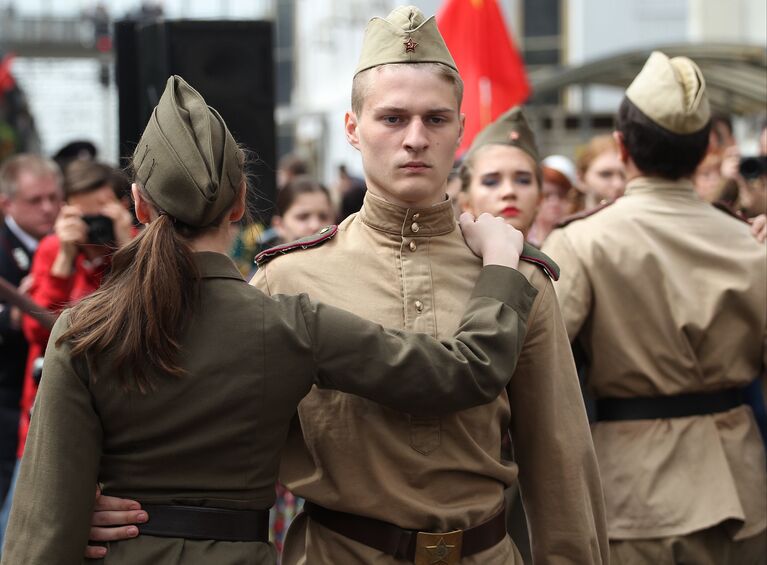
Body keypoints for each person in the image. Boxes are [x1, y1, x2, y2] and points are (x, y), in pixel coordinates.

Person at [89, 9, 608, 565]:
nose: (415, 139)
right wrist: (118, 506)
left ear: (461, 127)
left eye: (435, 119)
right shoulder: (288, 277)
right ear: (353, 129)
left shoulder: (519, 276)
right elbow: (219, 442)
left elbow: (560, 464)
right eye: (392, 118)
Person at [2, 75, 538, 564]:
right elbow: (464, 373)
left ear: (139, 205)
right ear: (240, 203)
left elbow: (41, 528)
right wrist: (497, 267)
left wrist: (80, 510)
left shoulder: (86, 330)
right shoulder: (288, 325)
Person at [543, 51, 767, 564]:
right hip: (743, 483)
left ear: (622, 146)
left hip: (636, 491)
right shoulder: (751, 242)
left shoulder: (582, 242)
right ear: (706, 148)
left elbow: (531, 361)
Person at [0, 155, 62, 506]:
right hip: (7, 400)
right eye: (35, 200)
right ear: (7, 203)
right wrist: (12, 316)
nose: (48, 208)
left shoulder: (72, 245)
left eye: (54, 197)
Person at [457, 107, 542, 240]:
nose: (509, 191)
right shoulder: (441, 261)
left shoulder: (558, 259)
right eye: (491, 182)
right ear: (466, 202)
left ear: (540, 199)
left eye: (523, 180)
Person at [575, 133, 626, 210]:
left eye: (624, 175)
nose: (618, 184)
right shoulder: (567, 221)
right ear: (581, 179)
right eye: (606, 174)